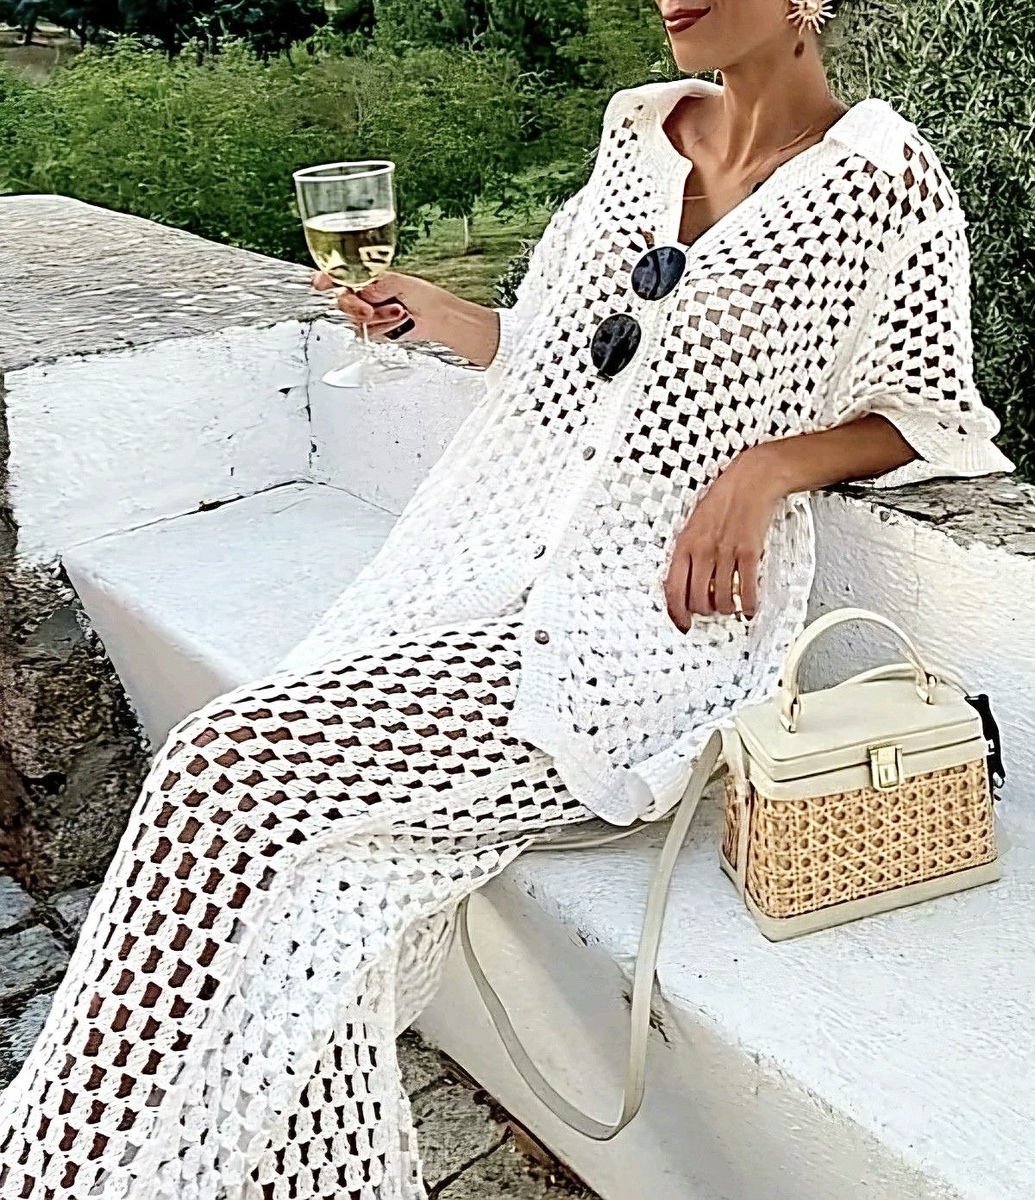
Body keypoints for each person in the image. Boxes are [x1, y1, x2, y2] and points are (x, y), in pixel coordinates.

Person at [0, 0, 1015, 1196]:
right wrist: (446, 317)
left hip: (651, 635)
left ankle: (62, 1162)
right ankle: (97, 1161)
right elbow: (565, 348)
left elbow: (933, 416)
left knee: (225, 767)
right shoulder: (641, 137)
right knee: (293, 862)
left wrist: (768, 465)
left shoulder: (883, 179)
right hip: (487, 571)